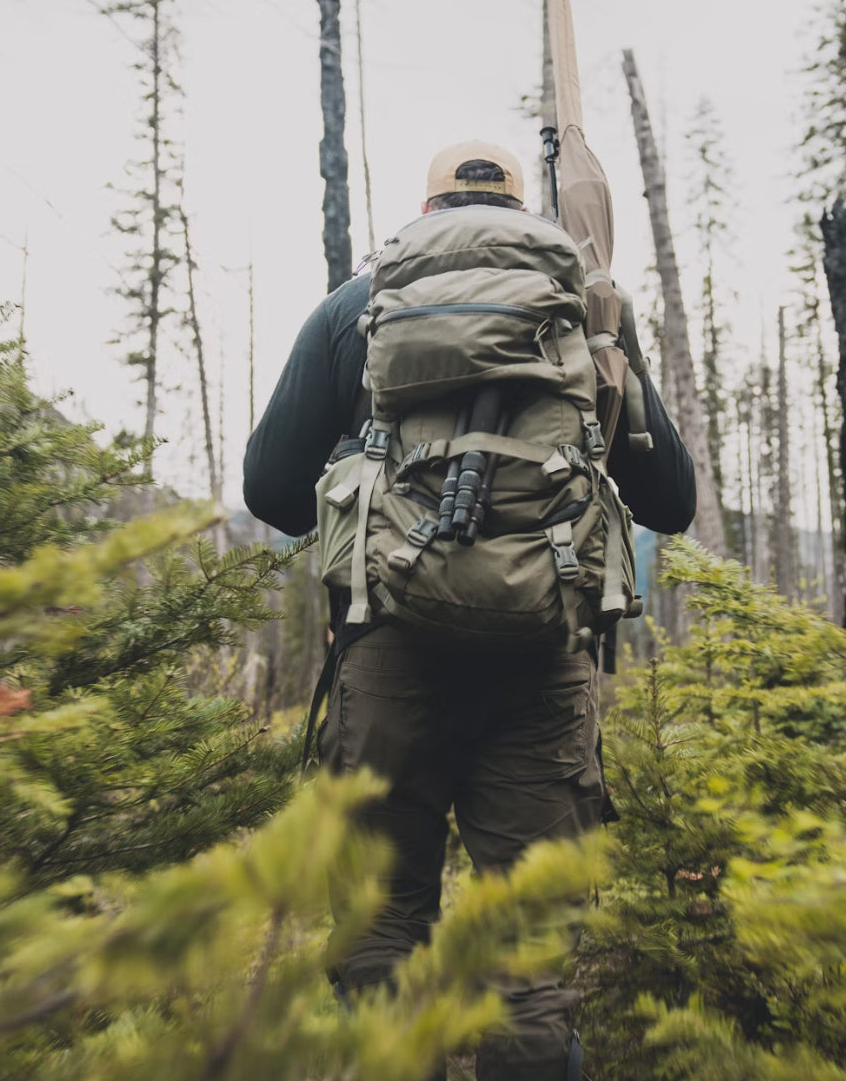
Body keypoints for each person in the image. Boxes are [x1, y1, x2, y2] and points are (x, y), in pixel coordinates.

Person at [244, 140, 696, 1081]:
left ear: (429, 205)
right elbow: (672, 504)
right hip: (543, 666)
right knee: (526, 964)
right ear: (525, 209)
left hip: (386, 656)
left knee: (380, 935)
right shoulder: (585, 309)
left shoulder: (356, 308)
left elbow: (271, 490)